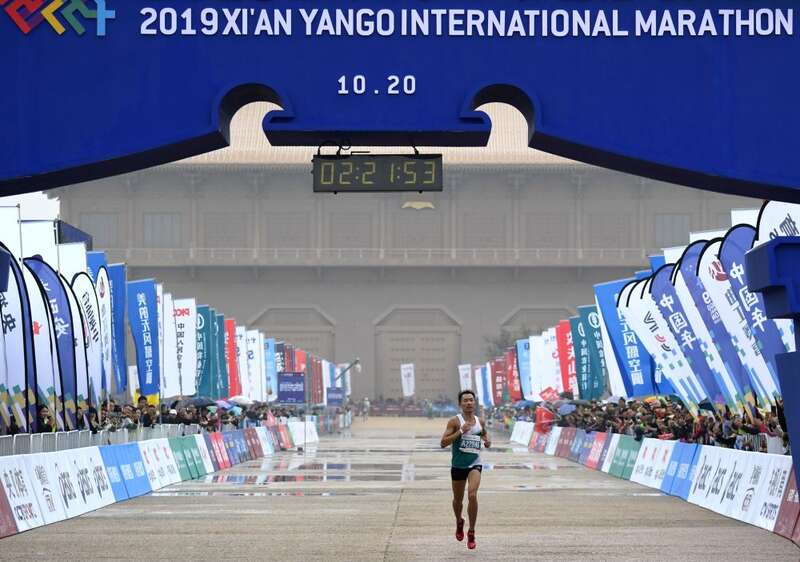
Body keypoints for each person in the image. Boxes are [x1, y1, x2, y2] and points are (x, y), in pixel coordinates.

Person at [440, 390, 491, 550]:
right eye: (465, 400)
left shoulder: (480, 421)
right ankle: (459, 521)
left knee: (472, 495)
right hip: (458, 466)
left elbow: (485, 435)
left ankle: (472, 531)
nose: (469, 403)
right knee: (458, 501)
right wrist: (461, 431)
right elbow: (443, 443)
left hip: (475, 464)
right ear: (460, 404)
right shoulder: (455, 421)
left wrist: (487, 441)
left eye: (471, 400)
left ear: (474, 403)